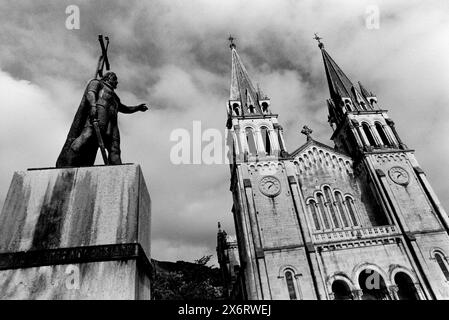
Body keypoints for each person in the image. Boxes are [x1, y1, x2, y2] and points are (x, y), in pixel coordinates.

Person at [56, 72, 148, 167]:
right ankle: (68, 162)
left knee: (114, 148)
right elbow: (90, 93)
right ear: (108, 78)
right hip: (98, 118)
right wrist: (93, 106)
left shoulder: (115, 98)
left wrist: (137, 108)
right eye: (114, 79)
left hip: (112, 125)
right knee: (86, 138)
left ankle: (117, 170)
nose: (116, 82)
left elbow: (124, 108)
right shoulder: (97, 83)